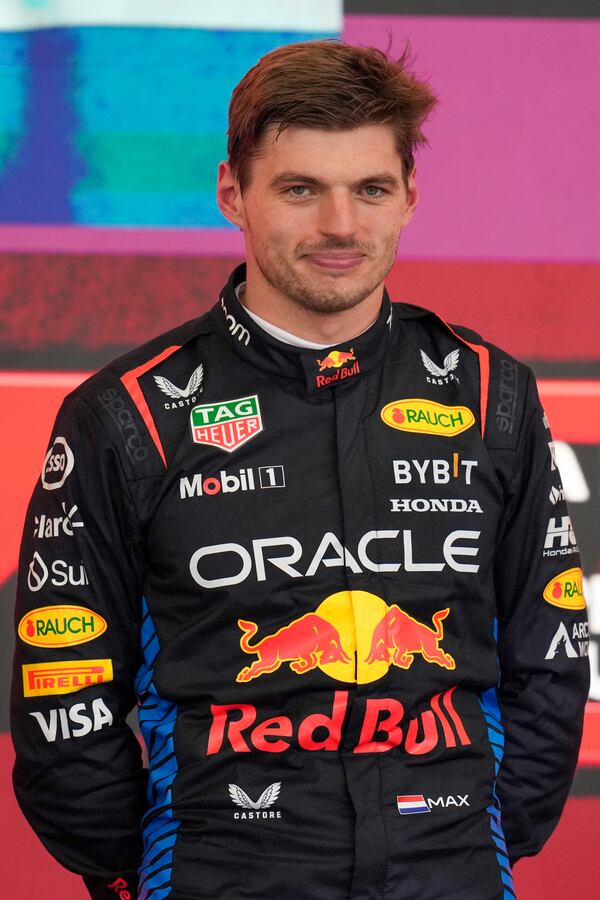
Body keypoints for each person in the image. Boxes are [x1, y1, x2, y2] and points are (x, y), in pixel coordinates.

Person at [12, 40, 589, 900]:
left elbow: (552, 652)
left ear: (408, 198)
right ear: (231, 194)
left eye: (370, 189)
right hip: (217, 871)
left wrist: (478, 827)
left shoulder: (491, 393)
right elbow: (60, 686)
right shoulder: (125, 413)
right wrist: (138, 863)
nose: (341, 226)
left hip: (453, 869)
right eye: (299, 189)